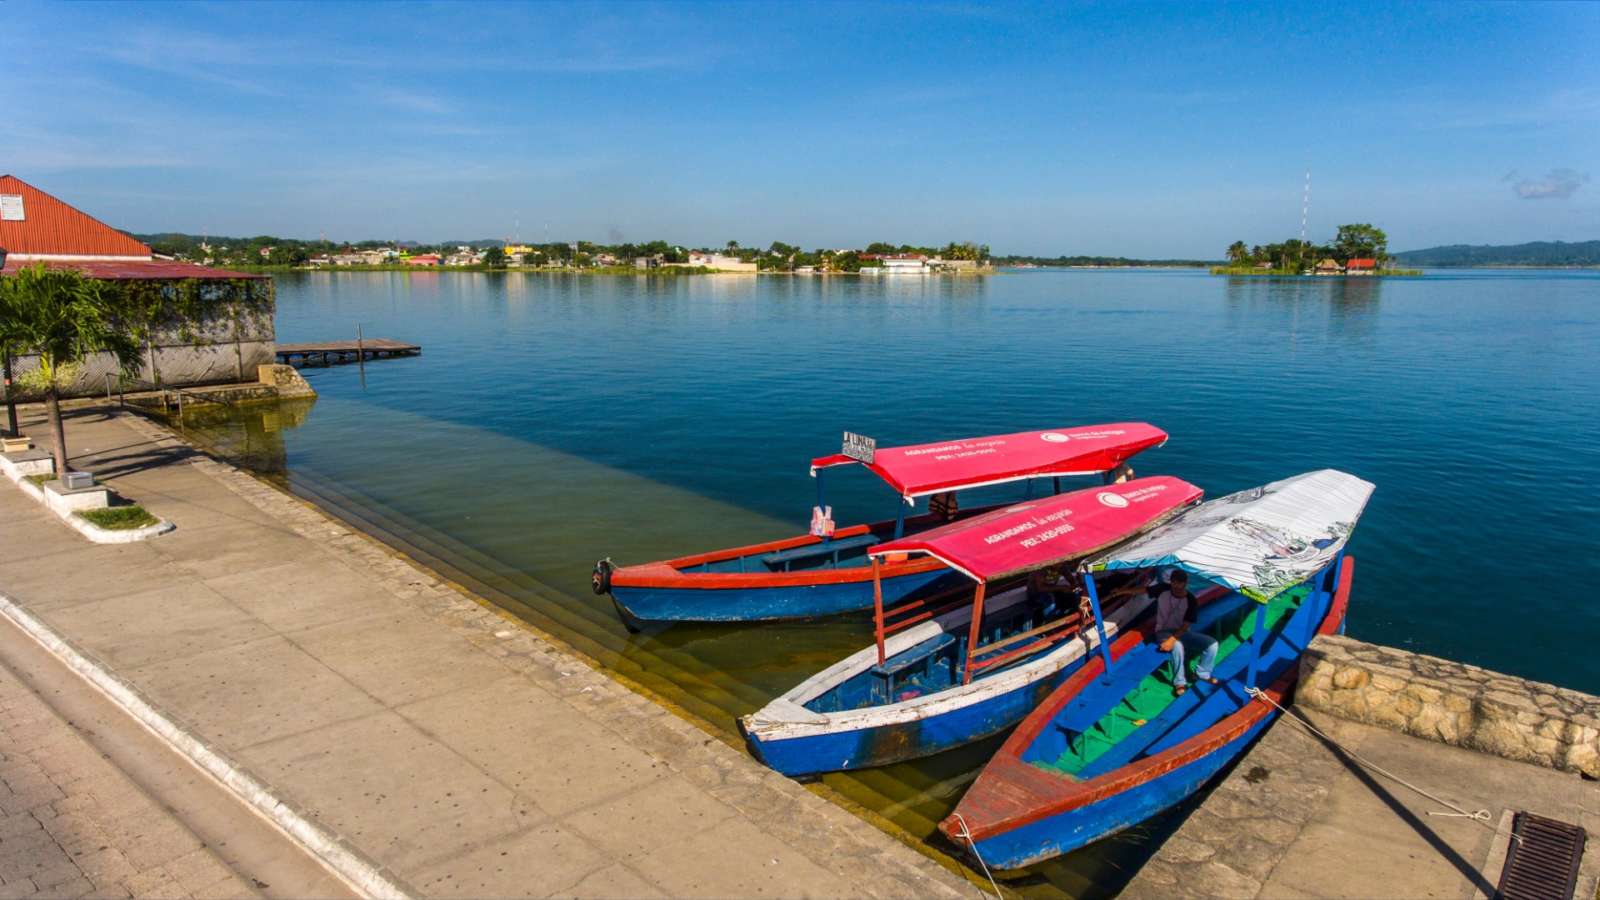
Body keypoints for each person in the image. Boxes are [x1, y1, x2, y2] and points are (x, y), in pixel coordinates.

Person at [1154, 569, 1218, 696]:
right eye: (1174, 583)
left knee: (1212, 644)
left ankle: (1202, 673)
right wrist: (1119, 592)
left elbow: (1186, 625)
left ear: (1185, 583)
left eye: (1179, 583)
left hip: (1181, 632)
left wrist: (1171, 640)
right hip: (1163, 632)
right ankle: (1179, 683)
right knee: (1177, 646)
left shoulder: (1190, 600)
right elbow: (1143, 590)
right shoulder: (1162, 589)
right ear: (1170, 582)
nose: (1176, 586)